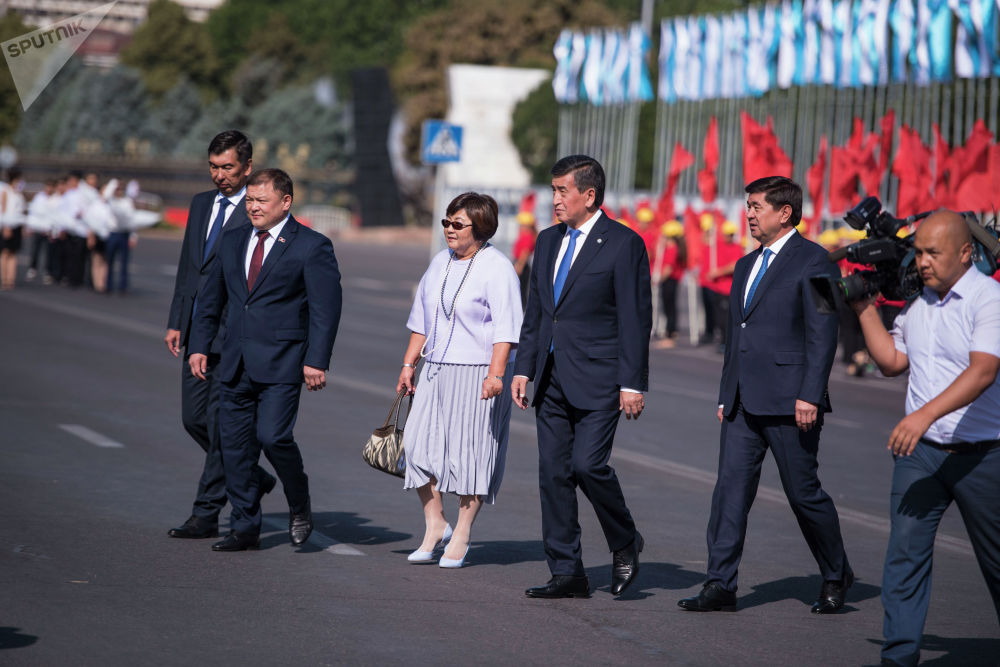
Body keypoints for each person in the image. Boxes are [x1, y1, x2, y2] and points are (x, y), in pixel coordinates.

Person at [679, 176, 852, 614]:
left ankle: (835, 574)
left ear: (785, 212)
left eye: (757, 206)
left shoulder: (817, 261)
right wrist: (726, 394)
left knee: (803, 494)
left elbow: (824, 332)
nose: (750, 214)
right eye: (749, 206)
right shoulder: (744, 265)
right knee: (730, 493)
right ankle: (720, 584)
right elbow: (737, 336)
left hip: (792, 402)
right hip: (742, 403)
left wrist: (811, 394)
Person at [849, 211, 1000, 667]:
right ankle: (899, 656)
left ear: (965, 253)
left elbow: (983, 371)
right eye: (918, 253)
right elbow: (893, 362)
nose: (923, 262)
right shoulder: (919, 304)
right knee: (905, 556)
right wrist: (863, 309)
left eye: (933, 253)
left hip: (984, 456)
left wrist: (923, 415)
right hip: (923, 456)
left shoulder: (989, 299)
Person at [513, 155, 652, 599]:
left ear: (589, 195)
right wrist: (523, 367)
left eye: (562, 191)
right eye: (552, 190)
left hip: (600, 377)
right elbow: (537, 312)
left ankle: (624, 539)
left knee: (587, 466)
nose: (554, 199)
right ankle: (567, 572)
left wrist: (632, 383)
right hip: (550, 377)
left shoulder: (623, 244)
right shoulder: (548, 240)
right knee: (553, 475)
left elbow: (635, 318)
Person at [188, 168, 342, 551]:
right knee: (234, 447)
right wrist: (199, 345)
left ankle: (298, 497)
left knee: (273, 437)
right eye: (250, 200)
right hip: (234, 361)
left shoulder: (311, 246)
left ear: (285, 202)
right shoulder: (232, 240)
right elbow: (211, 299)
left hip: (282, 362)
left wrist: (317, 360)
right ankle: (245, 528)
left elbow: (325, 310)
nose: (253, 207)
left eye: (262, 201)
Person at [396, 192, 522, 568]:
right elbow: (422, 320)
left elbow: (506, 329)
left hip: (478, 372)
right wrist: (408, 364)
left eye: (457, 224)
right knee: (415, 448)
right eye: (446, 222)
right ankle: (436, 523)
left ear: (480, 228)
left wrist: (496, 375)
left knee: (471, 456)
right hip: (435, 368)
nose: (449, 229)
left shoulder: (498, 268)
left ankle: (462, 532)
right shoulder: (440, 262)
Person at [163, 130, 276, 540]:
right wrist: (178, 319)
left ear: (247, 167)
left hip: (233, 335)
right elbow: (189, 266)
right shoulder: (201, 204)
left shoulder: (256, 211)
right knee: (193, 418)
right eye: (213, 167)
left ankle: (205, 513)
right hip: (197, 331)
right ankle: (250, 474)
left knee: (221, 422)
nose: (219, 175)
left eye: (227, 167)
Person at [705, 220, 745, 354]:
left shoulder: (736, 247)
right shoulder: (718, 246)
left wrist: (718, 272)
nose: (728, 237)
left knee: (727, 318)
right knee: (718, 317)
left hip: (729, 288)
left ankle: (727, 342)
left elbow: (734, 265)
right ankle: (723, 340)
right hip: (718, 288)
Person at [651, 219, 686, 349]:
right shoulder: (671, 248)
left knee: (669, 308)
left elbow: (668, 268)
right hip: (670, 281)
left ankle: (670, 335)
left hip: (669, 281)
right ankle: (670, 333)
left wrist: (658, 279)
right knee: (668, 307)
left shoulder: (672, 249)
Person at [104, 179, 137, 294]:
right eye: (118, 189)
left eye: (121, 190)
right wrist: (113, 183)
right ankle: (108, 284)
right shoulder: (111, 201)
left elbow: (131, 220)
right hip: (113, 233)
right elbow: (106, 195)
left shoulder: (127, 202)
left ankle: (123, 286)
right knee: (110, 261)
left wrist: (133, 236)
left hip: (124, 234)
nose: (119, 192)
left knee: (124, 262)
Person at [25, 178, 56, 283]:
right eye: (48, 186)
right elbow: (33, 213)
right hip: (38, 229)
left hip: (49, 231)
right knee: (35, 250)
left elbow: (56, 217)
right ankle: (32, 268)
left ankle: (48, 272)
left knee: (49, 253)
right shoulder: (39, 198)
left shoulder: (56, 199)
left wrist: (52, 229)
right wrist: (29, 226)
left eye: (51, 187)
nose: (49, 189)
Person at [0, 168, 26, 290]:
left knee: (13, 252)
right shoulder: (6, 191)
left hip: (17, 225)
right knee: (5, 252)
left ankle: (11, 279)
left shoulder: (19, 194)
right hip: (8, 225)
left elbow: (21, 211)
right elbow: (4, 211)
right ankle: (4, 279)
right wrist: (6, 226)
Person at [512, 195, 537, 308]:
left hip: (521, 264)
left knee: (520, 291)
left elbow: (525, 253)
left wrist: (519, 266)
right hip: (521, 264)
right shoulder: (527, 235)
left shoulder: (527, 236)